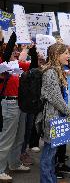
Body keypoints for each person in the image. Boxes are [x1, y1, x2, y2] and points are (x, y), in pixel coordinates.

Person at [38, 43, 70, 183]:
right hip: (52, 117)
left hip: (56, 116)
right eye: (66, 53)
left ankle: (51, 179)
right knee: (48, 154)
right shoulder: (51, 73)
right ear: (56, 54)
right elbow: (55, 98)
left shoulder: (56, 71)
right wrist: (69, 112)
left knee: (52, 153)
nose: (68, 56)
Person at [0, 32, 31, 182]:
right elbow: (6, 51)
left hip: (19, 103)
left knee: (19, 136)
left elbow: (33, 65)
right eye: (12, 51)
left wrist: (31, 49)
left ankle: (14, 163)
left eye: (15, 51)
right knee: (7, 138)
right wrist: (15, 33)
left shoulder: (16, 63)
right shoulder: (2, 63)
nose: (15, 52)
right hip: (9, 103)